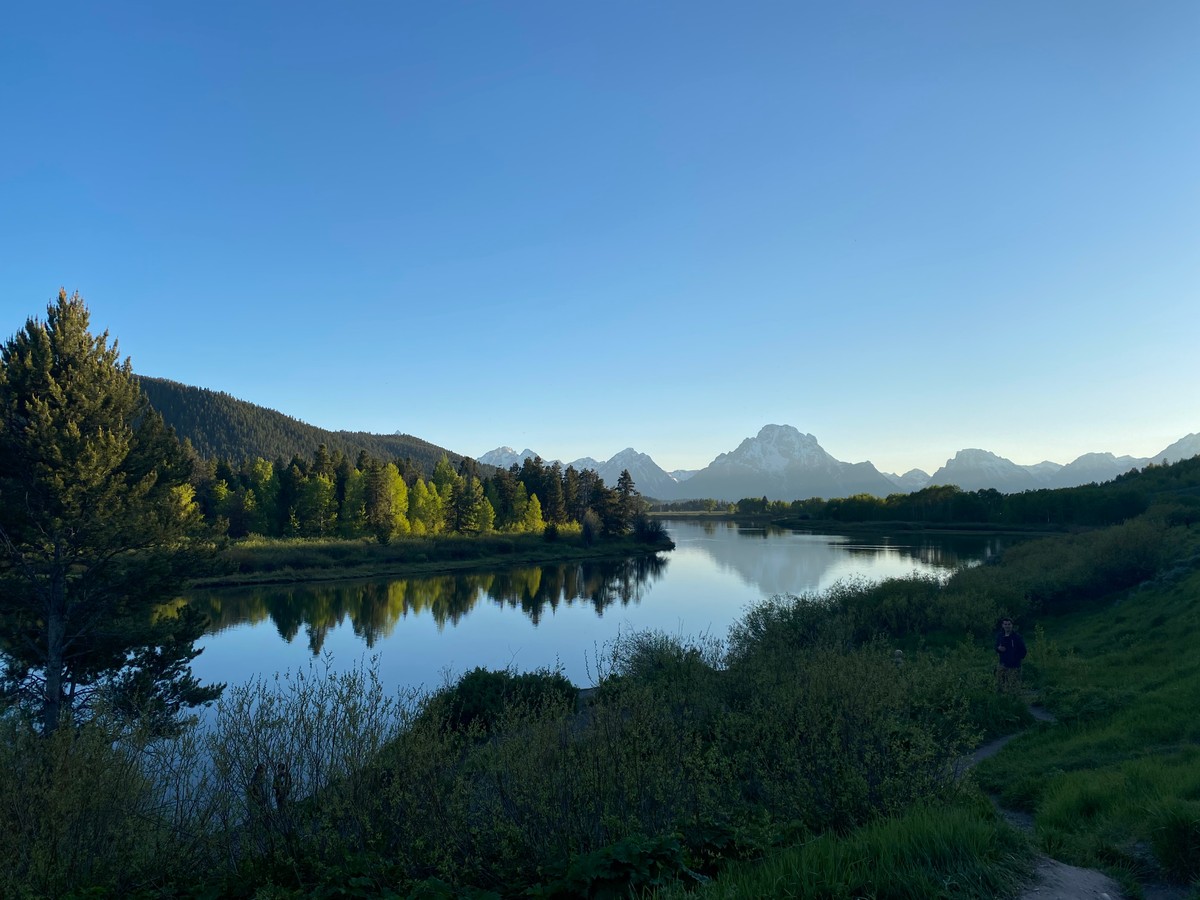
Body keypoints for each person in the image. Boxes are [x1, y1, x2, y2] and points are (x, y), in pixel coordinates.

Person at [995, 617, 1027, 691]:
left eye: (1009, 624)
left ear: (1012, 625)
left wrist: (1016, 659)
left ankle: (1015, 700)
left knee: (1013, 686)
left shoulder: (1017, 637)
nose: (1007, 626)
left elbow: (1023, 651)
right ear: (1002, 625)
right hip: (1002, 664)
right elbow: (996, 647)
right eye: (1005, 624)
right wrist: (998, 649)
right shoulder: (1000, 636)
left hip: (1014, 666)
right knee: (1000, 685)